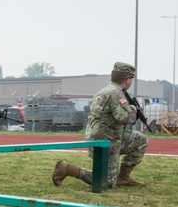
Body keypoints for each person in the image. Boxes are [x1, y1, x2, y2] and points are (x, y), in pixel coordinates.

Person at [52, 61, 148, 189]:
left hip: (105, 136)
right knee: (107, 183)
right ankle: (67, 169)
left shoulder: (104, 91)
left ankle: (123, 177)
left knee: (140, 140)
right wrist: (133, 109)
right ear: (127, 80)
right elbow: (124, 117)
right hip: (106, 140)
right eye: (131, 78)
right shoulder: (116, 93)